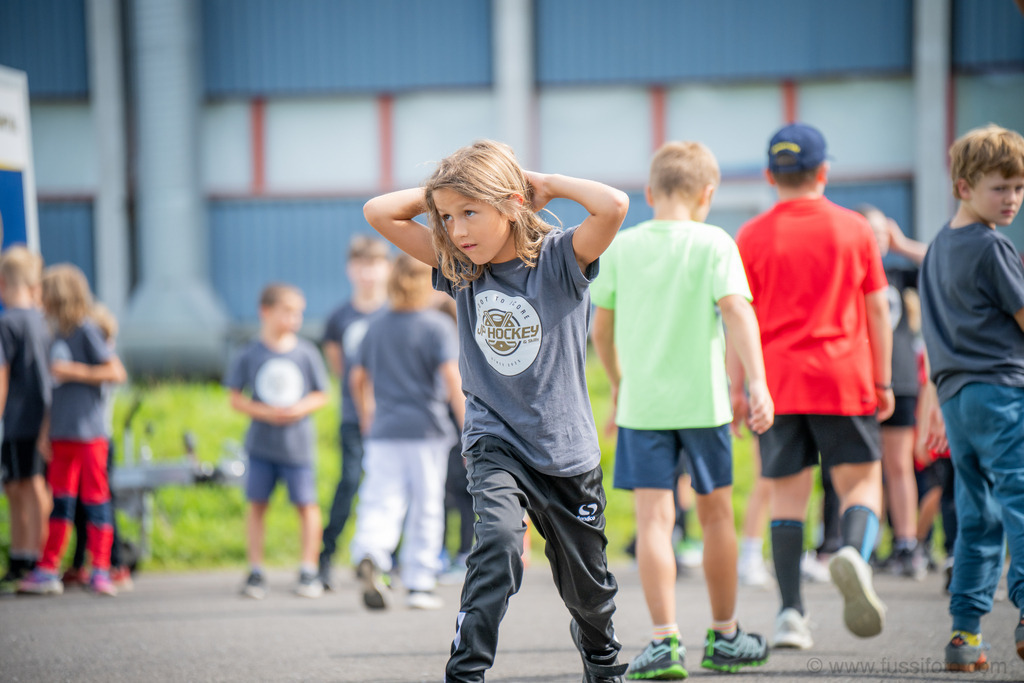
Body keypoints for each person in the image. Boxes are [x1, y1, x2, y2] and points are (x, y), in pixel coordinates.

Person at [363, 139, 630, 683]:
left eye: (470, 213)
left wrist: (544, 181)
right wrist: (448, 193)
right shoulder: (459, 267)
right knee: (499, 545)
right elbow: (378, 212)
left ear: (511, 203)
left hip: (566, 451)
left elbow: (614, 206)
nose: (457, 230)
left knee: (590, 593)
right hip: (495, 441)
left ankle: (601, 658)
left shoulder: (560, 257)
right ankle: (466, 672)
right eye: (446, 217)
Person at [590, 140, 772, 678]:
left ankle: (664, 642)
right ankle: (725, 637)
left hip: (644, 407)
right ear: (707, 193)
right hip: (705, 403)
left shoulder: (622, 246)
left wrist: (620, 385)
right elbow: (736, 312)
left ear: (649, 193)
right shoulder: (715, 241)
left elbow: (600, 331)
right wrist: (757, 382)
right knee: (715, 515)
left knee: (654, 520)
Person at [734, 122, 893, 649]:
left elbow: (739, 319)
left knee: (786, 498)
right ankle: (851, 550)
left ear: (769, 176)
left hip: (777, 383)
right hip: (842, 377)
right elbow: (876, 309)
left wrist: (740, 388)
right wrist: (884, 379)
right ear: (823, 172)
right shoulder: (854, 230)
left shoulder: (751, 236)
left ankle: (789, 616)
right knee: (861, 485)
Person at [916, 123, 1024, 672]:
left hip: (956, 399)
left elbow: (934, 336)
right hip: (1004, 390)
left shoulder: (936, 250)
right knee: (1020, 499)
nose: (1011, 199)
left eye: (1018, 187)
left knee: (978, 516)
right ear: (964, 187)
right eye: (999, 187)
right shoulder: (992, 246)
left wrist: (935, 401)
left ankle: (965, 636)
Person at [348, 253, 463, 610]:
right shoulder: (435, 326)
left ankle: (371, 552)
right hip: (426, 430)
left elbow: (357, 377)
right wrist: (468, 425)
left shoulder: (376, 325)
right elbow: (452, 379)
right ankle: (419, 582)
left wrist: (367, 414)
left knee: (380, 500)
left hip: (383, 430)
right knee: (427, 505)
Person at [19, 264, 127, 596]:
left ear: (59, 296)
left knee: (96, 500)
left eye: (45, 293)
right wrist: (45, 431)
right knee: (61, 502)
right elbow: (55, 390)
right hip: (61, 433)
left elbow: (115, 371)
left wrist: (74, 370)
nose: (40, 300)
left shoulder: (85, 330)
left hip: (90, 434)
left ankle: (101, 569)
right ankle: (49, 567)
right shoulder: (57, 335)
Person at [224, 283, 330, 600]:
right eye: (287, 311)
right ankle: (256, 570)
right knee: (257, 505)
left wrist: (299, 408)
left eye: (298, 312)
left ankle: (308, 569)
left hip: (297, 448)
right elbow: (234, 398)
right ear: (265, 312)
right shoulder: (249, 353)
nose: (293, 319)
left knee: (307, 505)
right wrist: (263, 411)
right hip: (261, 446)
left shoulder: (307, 353)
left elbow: (321, 394)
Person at [858, 205, 929, 580]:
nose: (878, 238)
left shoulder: (900, 273)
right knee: (867, 467)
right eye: (871, 232)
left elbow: (941, 259)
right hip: (860, 380)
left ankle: (907, 544)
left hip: (899, 380)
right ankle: (866, 547)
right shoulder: (852, 272)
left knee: (899, 465)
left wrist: (901, 244)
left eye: (883, 232)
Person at [317, 235, 390, 590]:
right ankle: (325, 557)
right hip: (352, 417)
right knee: (348, 483)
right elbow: (340, 368)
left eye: (375, 265)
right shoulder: (339, 318)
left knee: (391, 488)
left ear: (387, 269)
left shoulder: (395, 313)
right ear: (350, 270)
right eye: (361, 265)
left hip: (393, 418)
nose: (368, 273)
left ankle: (387, 563)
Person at [65, 303, 133, 591]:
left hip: (98, 439)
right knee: (82, 505)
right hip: (88, 438)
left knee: (100, 503)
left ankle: (114, 563)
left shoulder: (103, 365)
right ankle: (80, 562)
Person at [0, 246, 52, 593]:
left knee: (25, 487)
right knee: (24, 485)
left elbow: (1, 375)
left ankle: (33, 559)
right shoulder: (41, 321)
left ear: (3, 283)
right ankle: (26, 557)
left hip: (18, 419)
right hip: (44, 416)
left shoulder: (7, 322)